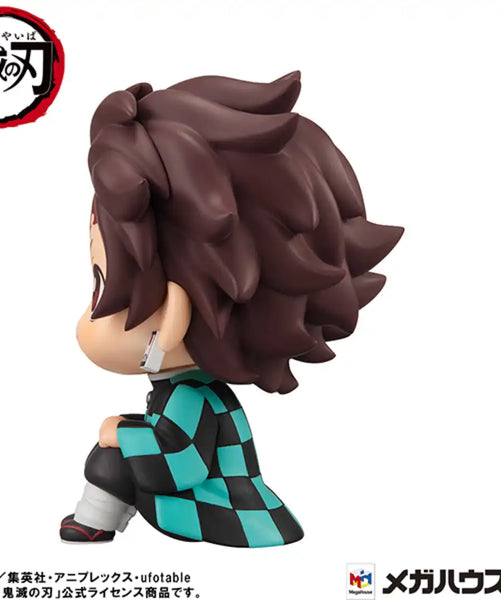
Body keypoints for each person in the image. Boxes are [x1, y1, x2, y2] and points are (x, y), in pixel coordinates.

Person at [59, 72, 403, 547]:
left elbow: (177, 466)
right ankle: (94, 518)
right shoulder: (193, 393)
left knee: (110, 457)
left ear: (173, 315)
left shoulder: (192, 398)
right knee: (118, 448)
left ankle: (93, 521)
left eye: (102, 288)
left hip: (223, 513)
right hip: (231, 507)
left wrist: (119, 434)